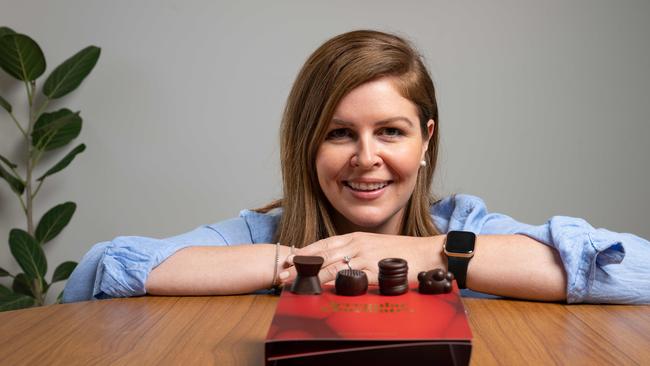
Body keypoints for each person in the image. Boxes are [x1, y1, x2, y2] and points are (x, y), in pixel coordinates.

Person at [63, 30, 650, 304]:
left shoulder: (464, 225)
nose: (365, 157)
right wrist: (295, 262)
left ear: (425, 141)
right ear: (306, 146)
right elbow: (101, 273)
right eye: (339, 133)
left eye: (389, 132)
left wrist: (432, 253)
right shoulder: (258, 235)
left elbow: (638, 273)